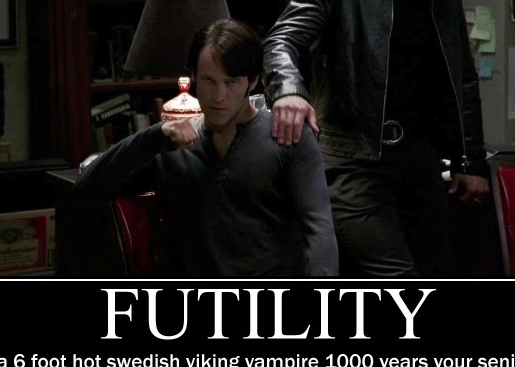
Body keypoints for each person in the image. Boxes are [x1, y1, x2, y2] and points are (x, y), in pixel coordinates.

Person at [262, 0, 490, 278]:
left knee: (439, 270)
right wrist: (288, 92)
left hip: (420, 162)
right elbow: (280, 41)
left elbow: (463, 82)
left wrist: (471, 160)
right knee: (397, 274)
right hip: (353, 161)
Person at [73, 18, 338, 278]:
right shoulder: (170, 145)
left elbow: (319, 228)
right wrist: (155, 136)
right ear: (193, 77)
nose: (219, 96)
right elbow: (87, 186)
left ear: (253, 81)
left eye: (231, 82)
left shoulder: (287, 135)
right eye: (209, 80)